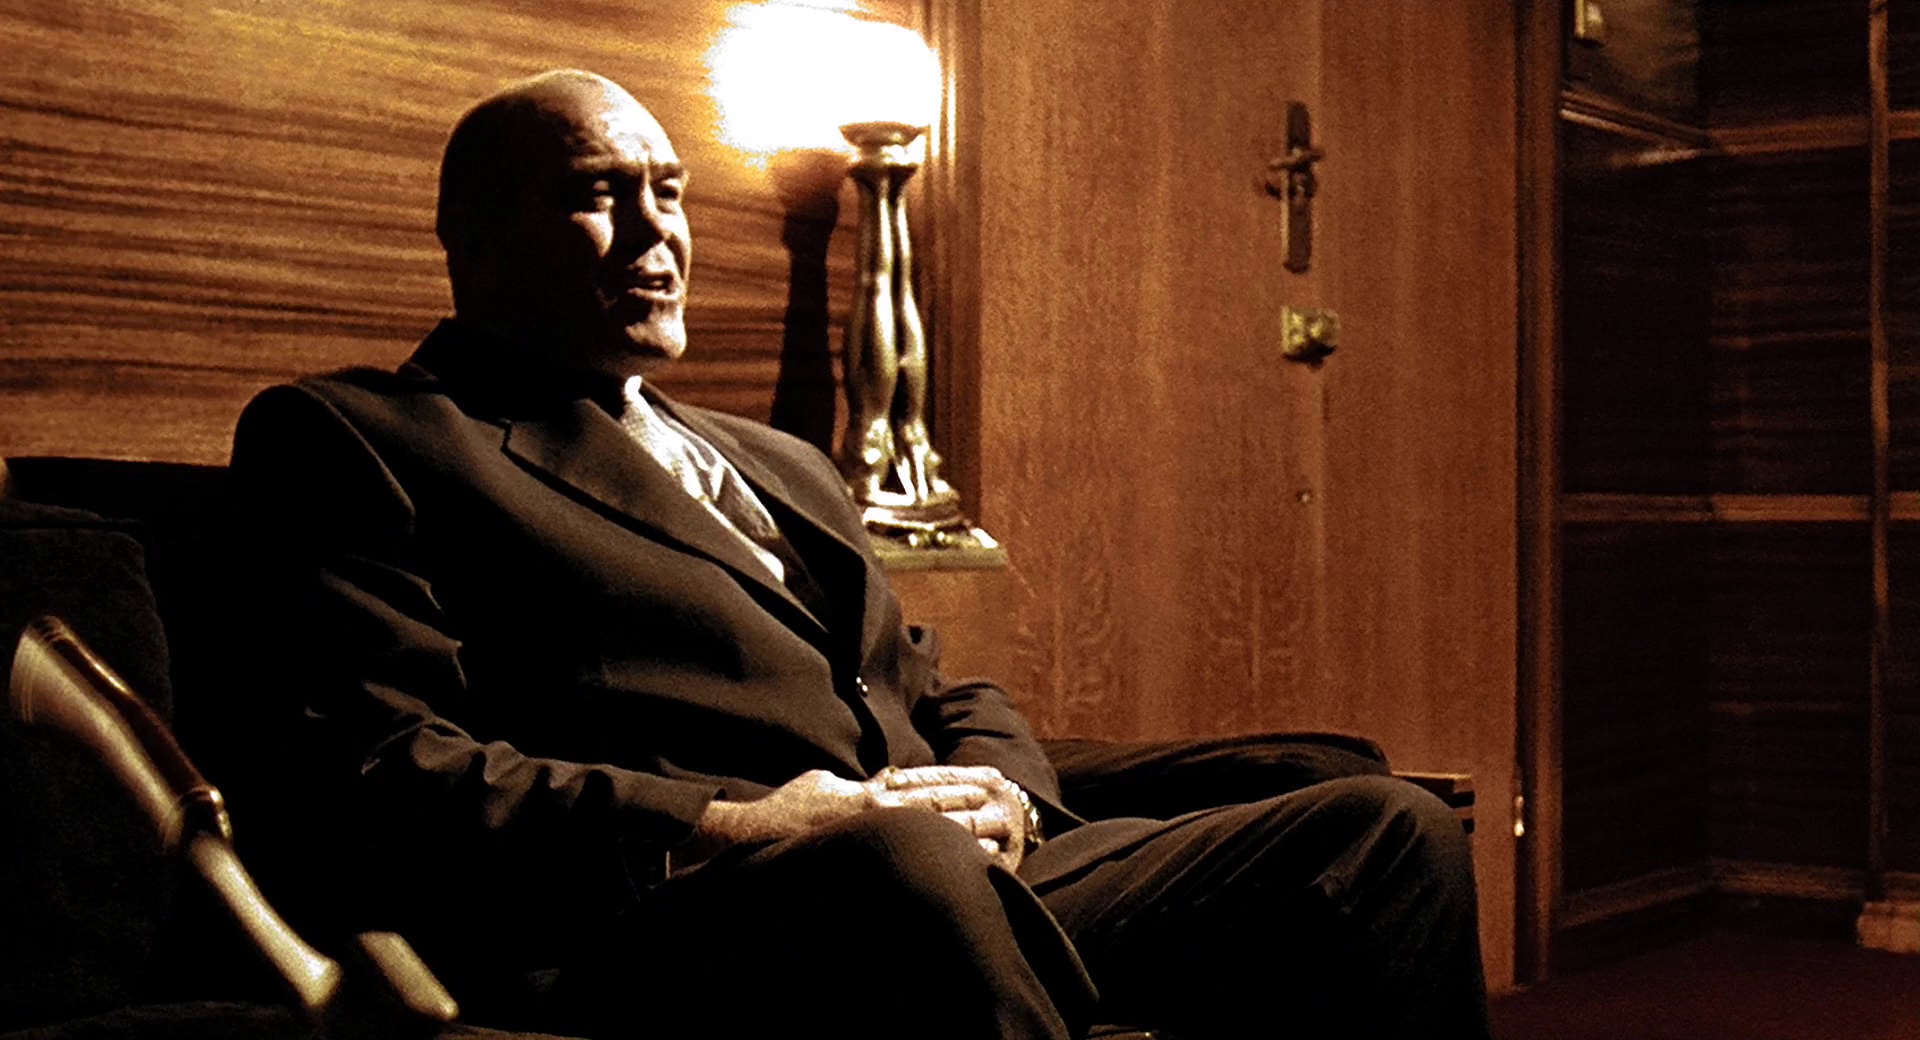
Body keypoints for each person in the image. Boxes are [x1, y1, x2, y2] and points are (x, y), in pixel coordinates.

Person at [230, 69, 1492, 1040]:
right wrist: (741, 819)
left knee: (1382, 822)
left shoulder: (780, 458)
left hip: (937, 864)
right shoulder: (364, 436)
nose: (655, 232)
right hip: (687, 904)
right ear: (474, 236)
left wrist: (1004, 796)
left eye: (669, 190)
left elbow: (931, 684)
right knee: (900, 858)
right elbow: (384, 770)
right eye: (599, 194)